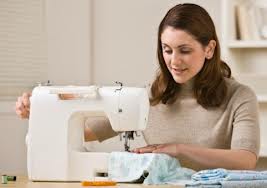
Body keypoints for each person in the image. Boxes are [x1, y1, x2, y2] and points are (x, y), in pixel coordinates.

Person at [15, 3, 260, 171]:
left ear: (209, 49)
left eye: (185, 50)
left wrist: (178, 150)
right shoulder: (150, 96)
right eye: (167, 49)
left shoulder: (239, 97)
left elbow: (245, 160)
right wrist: (40, 110)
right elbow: (82, 131)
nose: (174, 61)